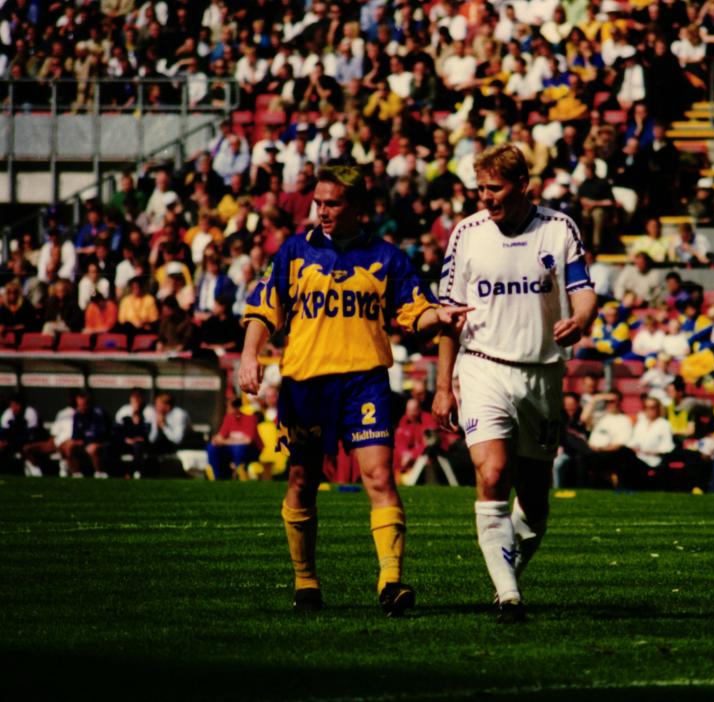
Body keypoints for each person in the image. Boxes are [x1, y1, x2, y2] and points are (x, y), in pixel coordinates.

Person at [239, 165, 471, 616]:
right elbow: (263, 308)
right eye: (318, 203)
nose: (322, 211)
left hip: (365, 381)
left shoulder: (387, 257)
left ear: (358, 206)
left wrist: (438, 316)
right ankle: (305, 580)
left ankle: (391, 581)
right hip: (305, 383)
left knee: (380, 477)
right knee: (302, 480)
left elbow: (416, 311)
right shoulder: (294, 252)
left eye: (333, 203)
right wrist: (250, 356)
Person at [433, 144, 597, 622]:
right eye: (480, 188)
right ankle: (508, 595)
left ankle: (508, 574)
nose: (485, 197)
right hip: (483, 366)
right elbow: (449, 318)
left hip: (542, 373)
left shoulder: (559, 228)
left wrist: (580, 321)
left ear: (523, 185)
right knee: (493, 473)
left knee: (535, 500)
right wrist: (443, 387)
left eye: (495, 188)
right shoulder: (467, 234)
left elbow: (584, 292)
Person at [207, 397, 263, 480]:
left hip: (251, 451)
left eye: (228, 407)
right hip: (232, 449)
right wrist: (216, 440)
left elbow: (248, 441)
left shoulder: (250, 419)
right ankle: (217, 475)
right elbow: (221, 436)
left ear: (235, 408)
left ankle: (239, 474)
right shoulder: (229, 418)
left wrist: (224, 441)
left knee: (239, 448)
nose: (226, 409)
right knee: (212, 447)